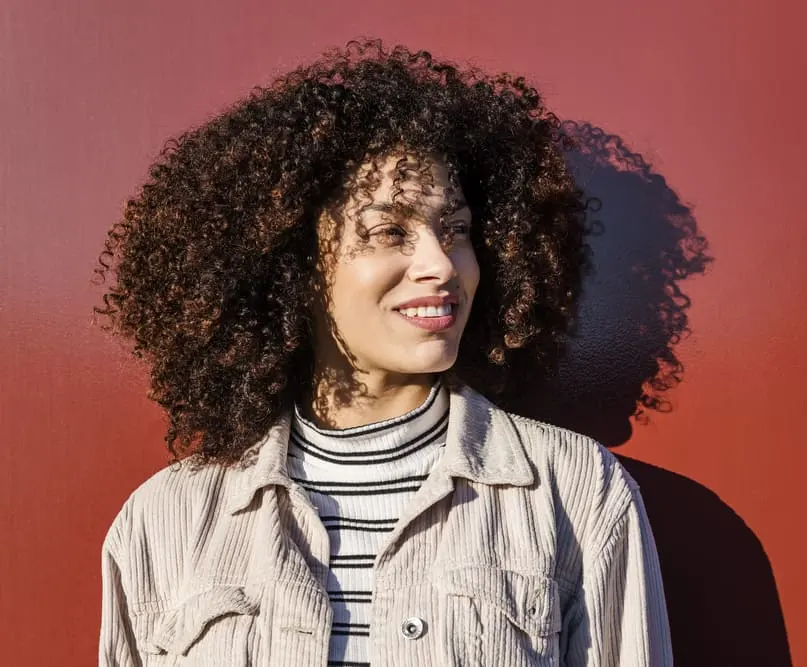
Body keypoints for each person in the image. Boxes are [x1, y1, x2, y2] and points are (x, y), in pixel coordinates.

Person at [94, 39, 672, 666]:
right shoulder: (164, 521)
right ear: (294, 268)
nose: (440, 264)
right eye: (388, 232)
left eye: (455, 232)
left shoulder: (575, 491)